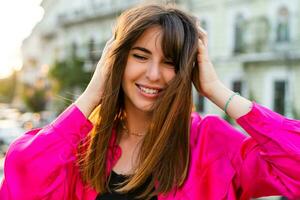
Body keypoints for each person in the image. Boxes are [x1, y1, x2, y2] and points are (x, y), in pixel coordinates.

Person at [1, 4, 300, 200]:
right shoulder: (84, 147)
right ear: (117, 61)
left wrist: (216, 90)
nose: (154, 74)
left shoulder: (210, 142)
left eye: (170, 62)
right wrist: (93, 92)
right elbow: (22, 172)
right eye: (140, 56)